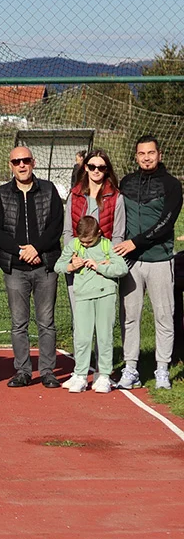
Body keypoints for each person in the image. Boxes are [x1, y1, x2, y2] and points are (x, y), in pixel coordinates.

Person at [0, 146, 64, 389]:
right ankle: (23, 371)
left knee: (46, 322)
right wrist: (20, 251)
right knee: (18, 324)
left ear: (33, 162)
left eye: (25, 160)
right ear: (10, 165)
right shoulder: (2, 194)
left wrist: (36, 249)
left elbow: (56, 226)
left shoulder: (49, 190)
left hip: (45, 266)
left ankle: (47, 371)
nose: (21, 165)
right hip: (15, 268)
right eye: (16, 161)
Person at [115, 135, 182, 390]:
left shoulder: (172, 185)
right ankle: (131, 368)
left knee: (164, 316)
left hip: (160, 260)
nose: (146, 158)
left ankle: (162, 369)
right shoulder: (127, 182)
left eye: (150, 153)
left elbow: (166, 223)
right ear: (136, 157)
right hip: (131, 263)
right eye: (142, 153)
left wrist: (136, 242)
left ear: (159, 155)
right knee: (130, 317)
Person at [57, 216, 127, 394]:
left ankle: (103, 375)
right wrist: (71, 266)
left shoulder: (107, 245)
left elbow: (122, 268)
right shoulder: (74, 245)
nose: (86, 245)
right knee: (82, 337)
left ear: (99, 233)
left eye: (89, 241)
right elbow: (58, 266)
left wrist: (99, 267)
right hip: (82, 295)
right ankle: (80, 375)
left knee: (104, 337)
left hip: (106, 294)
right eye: (83, 242)